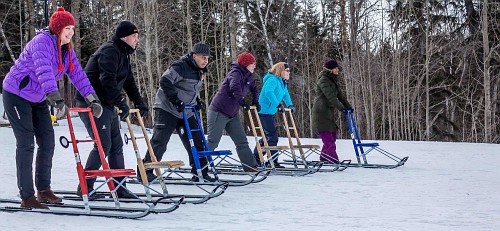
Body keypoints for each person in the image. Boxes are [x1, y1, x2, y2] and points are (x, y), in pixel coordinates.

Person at [2, 7, 102, 209]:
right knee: (26, 143)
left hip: (38, 98)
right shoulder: (41, 43)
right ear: (57, 29)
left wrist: (93, 99)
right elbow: (44, 72)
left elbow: (78, 75)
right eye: (67, 28)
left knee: (48, 141)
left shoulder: (67, 50)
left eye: (73, 28)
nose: (71, 32)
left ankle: (44, 190)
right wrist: (57, 100)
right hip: (16, 95)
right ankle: (27, 196)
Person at [74, 21, 148, 198]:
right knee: (103, 145)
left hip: (107, 103)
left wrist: (139, 101)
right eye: (134, 36)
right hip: (92, 103)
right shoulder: (110, 51)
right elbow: (107, 80)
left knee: (116, 145)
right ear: (124, 37)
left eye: (137, 36)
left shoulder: (123, 53)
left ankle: (119, 188)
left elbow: (128, 81)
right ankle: (85, 187)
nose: (137, 40)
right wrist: (121, 102)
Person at [141, 43, 214, 182]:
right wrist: (175, 100)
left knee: (197, 139)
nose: (205, 61)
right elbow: (165, 81)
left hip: (186, 110)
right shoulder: (181, 66)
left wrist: (196, 100)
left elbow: (189, 88)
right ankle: (146, 172)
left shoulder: (201, 70)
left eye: (207, 58)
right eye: (203, 57)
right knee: (160, 140)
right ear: (194, 56)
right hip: (167, 107)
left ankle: (201, 172)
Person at [207, 52, 261, 172]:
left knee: (241, 140)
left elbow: (254, 88)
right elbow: (234, 87)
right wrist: (242, 102)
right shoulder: (235, 73)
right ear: (246, 64)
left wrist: (255, 101)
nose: (254, 66)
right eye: (252, 64)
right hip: (219, 111)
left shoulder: (248, 76)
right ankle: (200, 166)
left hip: (232, 113)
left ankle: (250, 166)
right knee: (213, 141)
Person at [253, 62, 295, 168]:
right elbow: (268, 92)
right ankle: (272, 161)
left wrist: (290, 105)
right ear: (281, 71)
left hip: (270, 112)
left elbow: (286, 95)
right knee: (272, 137)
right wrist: (278, 104)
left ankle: (256, 158)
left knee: (268, 137)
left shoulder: (282, 82)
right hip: (264, 111)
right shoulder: (272, 80)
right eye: (287, 70)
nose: (289, 72)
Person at [311, 59, 352, 163]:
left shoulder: (332, 80)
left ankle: (324, 158)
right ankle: (333, 160)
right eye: (336, 68)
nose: (338, 70)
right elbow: (331, 97)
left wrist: (348, 107)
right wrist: (341, 108)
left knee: (333, 135)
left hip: (328, 112)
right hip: (321, 112)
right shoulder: (323, 80)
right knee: (328, 140)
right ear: (330, 69)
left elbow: (340, 96)